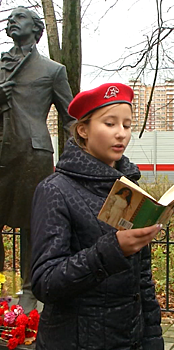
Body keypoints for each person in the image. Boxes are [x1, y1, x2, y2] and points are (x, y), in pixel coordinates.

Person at [31, 83, 164, 349]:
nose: (121, 134)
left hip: (130, 339)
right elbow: (45, 282)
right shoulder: (55, 190)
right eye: (110, 123)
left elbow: (143, 284)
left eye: (127, 125)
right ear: (83, 130)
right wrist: (111, 250)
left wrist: (152, 340)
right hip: (76, 340)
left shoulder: (129, 189)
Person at [0, 6, 73, 313]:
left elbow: (71, 117)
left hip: (34, 155)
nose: (12, 20)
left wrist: (77, 160)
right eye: (11, 17)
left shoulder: (53, 70)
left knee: (32, 226)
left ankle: (29, 289)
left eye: (20, 17)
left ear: (37, 29)